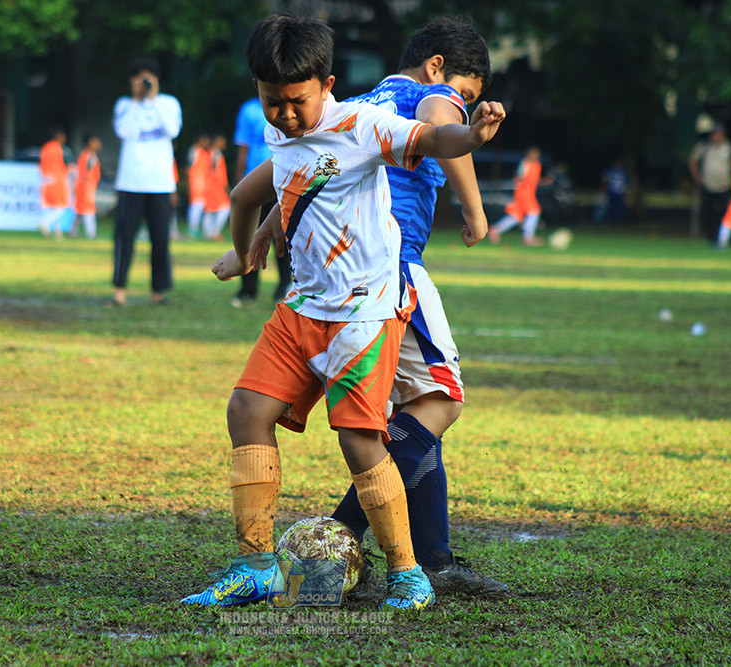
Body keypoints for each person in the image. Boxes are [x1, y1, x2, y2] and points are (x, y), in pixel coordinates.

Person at [181, 13, 505, 611]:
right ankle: (256, 565)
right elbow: (250, 193)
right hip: (305, 302)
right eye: (272, 102)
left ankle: (407, 572)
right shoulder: (285, 132)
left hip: (364, 308)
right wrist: (247, 249)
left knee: (362, 438)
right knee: (247, 411)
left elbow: (438, 137)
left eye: (296, 102)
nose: (284, 115)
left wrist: (474, 137)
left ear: (326, 86)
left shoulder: (363, 121)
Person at [317, 16, 506, 598]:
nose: (463, 105)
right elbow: (441, 115)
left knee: (414, 413)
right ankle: (333, 543)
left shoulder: (356, 103)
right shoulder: (424, 93)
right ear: (436, 67)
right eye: (466, 92)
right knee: (441, 400)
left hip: (338, 273)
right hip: (392, 266)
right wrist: (474, 211)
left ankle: (434, 561)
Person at [110, 57, 182, 307]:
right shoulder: (124, 105)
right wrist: (136, 100)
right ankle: (119, 289)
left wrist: (153, 99)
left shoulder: (169, 103)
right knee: (124, 238)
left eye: (147, 77)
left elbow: (173, 130)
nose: (143, 82)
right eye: (138, 78)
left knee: (160, 238)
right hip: (130, 182)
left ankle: (158, 291)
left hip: (160, 183)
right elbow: (124, 132)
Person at [230, 96, 293, 307]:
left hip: (283, 181)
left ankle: (284, 286)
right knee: (250, 236)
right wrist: (240, 183)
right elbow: (243, 148)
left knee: (283, 237)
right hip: (254, 181)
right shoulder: (249, 110)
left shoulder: (290, 107)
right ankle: (248, 289)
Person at [689, 123, 731, 243]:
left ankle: (728, 238)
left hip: (725, 186)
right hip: (708, 185)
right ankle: (711, 237)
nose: (716, 136)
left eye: (719, 133)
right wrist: (698, 178)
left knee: (727, 213)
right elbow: (692, 161)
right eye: (714, 133)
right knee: (708, 212)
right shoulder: (704, 146)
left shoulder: (730, 147)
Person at [488, 146, 547, 246]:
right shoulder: (525, 164)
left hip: (528, 193)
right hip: (524, 194)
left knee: (516, 215)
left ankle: (495, 229)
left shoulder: (536, 165)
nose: (535, 156)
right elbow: (519, 178)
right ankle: (528, 237)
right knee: (534, 211)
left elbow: (534, 180)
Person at [39, 127, 71, 240]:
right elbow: (67, 164)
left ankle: (58, 233)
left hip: (47, 181)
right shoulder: (59, 148)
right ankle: (45, 223)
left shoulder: (46, 147)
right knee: (61, 207)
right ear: (58, 136)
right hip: (58, 180)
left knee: (54, 208)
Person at [200, 134, 231, 241]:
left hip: (216, 187)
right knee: (221, 208)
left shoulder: (215, 154)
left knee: (213, 209)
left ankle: (211, 233)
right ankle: (213, 232)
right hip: (214, 187)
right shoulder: (213, 154)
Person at [71, 133, 102, 240]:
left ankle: (73, 232)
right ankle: (91, 234)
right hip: (86, 188)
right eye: (96, 142)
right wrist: (87, 187)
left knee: (80, 210)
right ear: (90, 143)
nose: (98, 144)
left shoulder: (87, 155)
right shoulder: (88, 156)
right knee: (89, 211)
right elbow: (83, 174)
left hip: (85, 187)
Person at [186, 132, 212, 238]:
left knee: (200, 206)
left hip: (203, 183)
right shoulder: (195, 151)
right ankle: (192, 230)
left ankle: (196, 230)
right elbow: (190, 168)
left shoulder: (204, 153)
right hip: (196, 183)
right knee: (196, 206)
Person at [594, 158, 628, 223]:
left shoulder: (623, 172)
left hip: (620, 192)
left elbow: (626, 183)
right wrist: (603, 191)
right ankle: (611, 220)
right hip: (611, 191)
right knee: (610, 206)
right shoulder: (610, 171)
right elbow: (605, 181)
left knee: (619, 206)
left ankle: (618, 220)